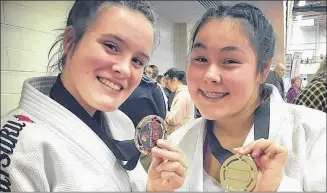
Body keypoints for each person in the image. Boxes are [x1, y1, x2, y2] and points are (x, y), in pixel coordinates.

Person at [0, 1, 187, 191]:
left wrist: (153, 189)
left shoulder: (121, 122)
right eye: (111, 46)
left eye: (137, 61)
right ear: (70, 41)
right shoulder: (19, 149)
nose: (124, 70)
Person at [168, 3, 326, 191]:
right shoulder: (177, 143)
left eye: (230, 61)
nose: (210, 75)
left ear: (263, 70)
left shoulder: (314, 134)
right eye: (201, 59)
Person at [164, 68, 194, 134]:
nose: (166, 86)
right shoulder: (184, 93)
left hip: (180, 134)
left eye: (167, 82)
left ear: (174, 80)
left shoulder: (182, 95)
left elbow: (173, 119)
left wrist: (163, 110)